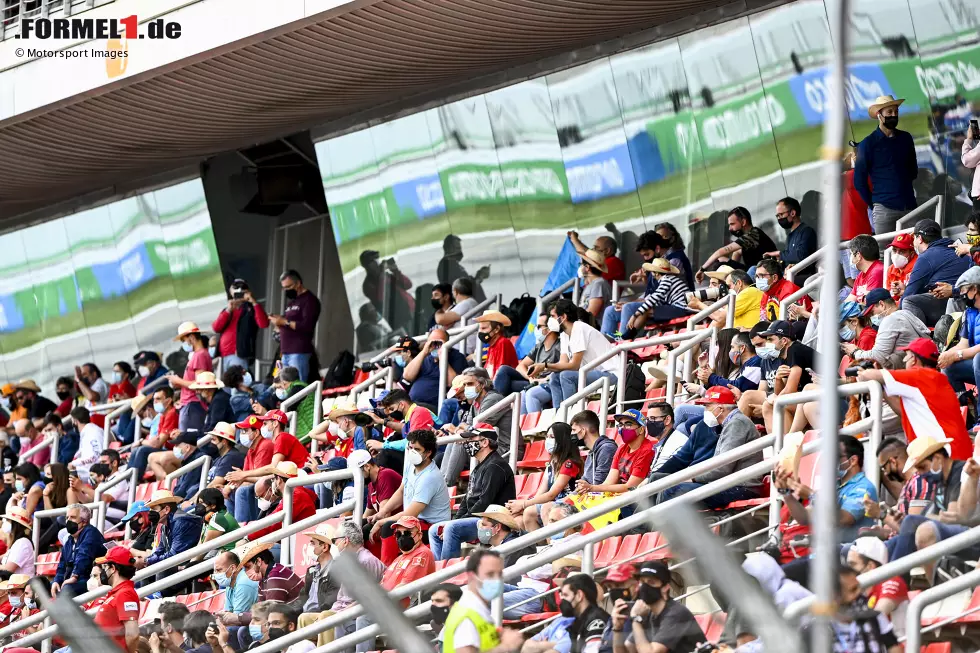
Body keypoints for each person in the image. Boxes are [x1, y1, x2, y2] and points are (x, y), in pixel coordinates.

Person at [859, 338, 972, 459]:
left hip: (948, 456)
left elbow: (867, 375)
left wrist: (863, 372)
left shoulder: (919, 376)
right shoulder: (933, 378)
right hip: (953, 453)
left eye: (906, 356)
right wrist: (883, 389)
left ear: (913, 359)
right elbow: (903, 412)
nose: (904, 360)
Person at [661, 386, 762, 507]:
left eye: (708, 406)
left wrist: (693, 479)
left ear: (720, 408)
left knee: (673, 490)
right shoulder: (731, 422)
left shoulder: (737, 423)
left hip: (741, 488)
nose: (705, 410)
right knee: (667, 486)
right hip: (730, 485)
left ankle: (648, 526)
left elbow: (723, 467)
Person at [349, 516, 437, 653]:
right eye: (398, 534)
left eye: (407, 533)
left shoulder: (422, 554)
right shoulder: (399, 558)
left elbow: (404, 588)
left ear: (419, 535)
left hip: (402, 608)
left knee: (364, 618)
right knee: (344, 620)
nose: (402, 537)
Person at [430, 426, 516, 560]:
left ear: (485, 442)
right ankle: (439, 567)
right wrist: (456, 520)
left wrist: (456, 523)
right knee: (435, 530)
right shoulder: (480, 466)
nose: (467, 443)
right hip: (477, 517)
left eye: (472, 439)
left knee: (450, 529)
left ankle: (448, 575)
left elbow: (484, 502)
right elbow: (467, 499)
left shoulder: (495, 466)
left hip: (492, 521)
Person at [297, 520, 385, 648]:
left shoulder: (365, 561)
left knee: (326, 617)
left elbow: (366, 600)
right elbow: (342, 599)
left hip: (356, 614)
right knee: (304, 619)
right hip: (341, 610)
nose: (334, 545)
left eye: (335, 541)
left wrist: (339, 613)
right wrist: (335, 611)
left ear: (346, 540)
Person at [775, 435, 878, 543]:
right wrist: (786, 493)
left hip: (853, 552)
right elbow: (804, 518)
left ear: (853, 460)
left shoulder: (864, 487)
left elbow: (844, 519)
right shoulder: (832, 486)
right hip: (827, 551)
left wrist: (812, 495)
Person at [369, 430, 451, 564]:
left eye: (417, 449)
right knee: (368, 527)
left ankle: (387, 571)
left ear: (428, 452)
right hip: (414, 521)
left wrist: (382, 521)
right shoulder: (410, 465)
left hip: (432, 527)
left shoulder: (430, 477)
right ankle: (373, 569)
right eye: (410, 448)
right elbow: (402, 491)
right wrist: (381, 513)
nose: (412, 452)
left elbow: (410, 514)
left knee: (388, 527)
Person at [536, 299, 618, 409]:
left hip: (611, 375)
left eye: (553, 316)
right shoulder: (564, 334)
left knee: (566, 376)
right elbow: (562, 363)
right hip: (593, 374)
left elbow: (574, 365)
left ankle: (570, 413)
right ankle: (558, 413)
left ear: (563, 317)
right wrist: (543, 368)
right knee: (555, 377)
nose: (550, 320)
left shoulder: (579, 328)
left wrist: (545, 365)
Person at [854, 95, 918, 234]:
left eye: (896, 112)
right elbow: (859, 181)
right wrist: (876, 204)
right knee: (884, 253)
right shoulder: (868, 144)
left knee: (915, 249)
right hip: (884, 210)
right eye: (889, 112)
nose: (893, 115)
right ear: (879, 115)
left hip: (909, 206)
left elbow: (913, 171)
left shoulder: (906, 138)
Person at [441, 369, 519, 481]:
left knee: (461, 443)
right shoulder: (475, 403)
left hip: (505, 449)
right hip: (487, 446)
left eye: (470, 384)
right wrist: (461, 430)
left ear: (482, 384)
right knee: (454, 441)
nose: (467, 387)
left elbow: (478, 430)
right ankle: (444, 482)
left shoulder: (493, 399)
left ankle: (447, 484)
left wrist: (461, 430)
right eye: (465, 385)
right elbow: (465, 427)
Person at [441, 549, 524, 653]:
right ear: (472, 576)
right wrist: (505, 646)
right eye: (490, 574)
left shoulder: (478, 610)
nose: (496, 580)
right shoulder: (467, 616)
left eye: (499, 574)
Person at [610, 562, 704, 653]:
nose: (645, 587)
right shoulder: (646, 612)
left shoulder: (676, 613)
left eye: (651, 582)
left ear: (665, 587)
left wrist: (636, 619)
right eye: (642, 582)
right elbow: (628, 649)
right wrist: (618, 628)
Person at [509, 422, 581, 532]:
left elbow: (551, 494)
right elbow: (541, 492)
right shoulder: (552, 464)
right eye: (547, 437)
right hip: (553, 502)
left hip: (569, 502)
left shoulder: (569, 464)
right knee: (518, 518)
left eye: (552, 437)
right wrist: (523, 506)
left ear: (563, 440)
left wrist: (524, 504)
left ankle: (548, 545)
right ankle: (535, 547)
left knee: (530, 512)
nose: (548, 440)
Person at [576, 410, 653, 511]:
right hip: (618, 498)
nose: (623, 428)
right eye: (620, 424)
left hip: (634, 503)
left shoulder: (647, 451)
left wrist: (592, 488)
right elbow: (609, 482)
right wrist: (589, 490)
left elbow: (630, 487)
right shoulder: (622, 448)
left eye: (628, 424)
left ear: (641, 429)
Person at [902, 218, 971, 327]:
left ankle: (921, 341)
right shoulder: (955, 248)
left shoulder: (926, 256)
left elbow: (910, 292)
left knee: (908, 302)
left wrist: (892, 316)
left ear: (919, 238)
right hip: (969, 300)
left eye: (913, 238)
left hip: (956, 302)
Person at [600, 230, 663, 338]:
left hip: (663, 306)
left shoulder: (665, 266)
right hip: (651, 303)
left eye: (647, 254)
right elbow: (649, 294)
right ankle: (605, 342)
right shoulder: (651, 267)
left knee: (628, 307)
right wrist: (645, 280)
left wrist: (630, 303)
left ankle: (621, 340)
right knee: (611, 310)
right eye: (643, 255)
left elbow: (659, 296)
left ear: (657, 249)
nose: (645, 259)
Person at [846, 288, 930, 368]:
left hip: (912, 370)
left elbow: (877, 356)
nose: (872, 317)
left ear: (882, 304)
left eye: (872, 312)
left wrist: (855, 352)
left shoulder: (890, 320)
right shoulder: (906, 313)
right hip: (921, 365)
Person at [494, 312, 560, 413]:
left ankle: (497, 410)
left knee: (517, 390)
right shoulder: (539, 347)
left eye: (538, 326)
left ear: (549, 329)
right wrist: (530, 378)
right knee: (504, 370)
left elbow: (562, 367)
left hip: (546, 383)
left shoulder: (559, 346)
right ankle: (495, 406)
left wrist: (543, 380)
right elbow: (521, 366)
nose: (535, 330)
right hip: (534, 381)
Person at [828, 565, 903, 653]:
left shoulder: (875, 617)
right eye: (853, 590)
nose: (859, 593)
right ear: (834, 596)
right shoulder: (818, 631)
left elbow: (894, 647)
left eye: (859, 587)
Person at [846, 537, 909, 637]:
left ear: (870, 566)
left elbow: (877, 617)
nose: (847, 570)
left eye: (852, 565)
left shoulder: (892, 581)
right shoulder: (860, 592)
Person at [137, 490, 203, 580]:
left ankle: (158, 594)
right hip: (179, 564)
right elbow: (160, 550)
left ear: (167, 509)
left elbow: (174, 556)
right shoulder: (165, 525)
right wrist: (145, 560)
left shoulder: (181, 522)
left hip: (190, 564)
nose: (151, 514)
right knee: (145, 571)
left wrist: (147, 561)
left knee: (161, 569)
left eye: (154, 509)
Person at [697, 206, 777, 279]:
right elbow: (737, 252)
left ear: (743, 222)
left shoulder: (752, 235)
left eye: (732, 224)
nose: (729, 228)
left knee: (722, 259)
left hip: (765, 274)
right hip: (756, 272)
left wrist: (702, 269)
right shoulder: (749, 237)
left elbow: (721, 252)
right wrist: (733, 267)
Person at [271, 270, 321, 382]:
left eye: (288, 286)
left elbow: (307, 326)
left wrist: (284, 322)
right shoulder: (292, 302)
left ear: (298, 283)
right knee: (285, 386)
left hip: (299, 351)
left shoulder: (309, 300)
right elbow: (286, 321)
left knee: (297, 386)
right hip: (285, 352)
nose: (286, 290)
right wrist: (278, 322)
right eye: (284, 287)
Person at [224, 415, 274, 523]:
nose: (242, 434)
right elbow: (244, 476)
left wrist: (241, 478)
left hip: (267, 491)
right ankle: (232, 530)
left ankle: (241, 533)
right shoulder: (250, 451)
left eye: (245, 431)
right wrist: (231, 486)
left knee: (241, 491)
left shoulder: (265, 445)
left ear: (256, 433)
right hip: (255, 489)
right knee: (229, 493)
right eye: (241, 431)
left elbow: (260, 478)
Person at [213, 278, 270, 371]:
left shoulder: (252, 309)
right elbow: (216, 328)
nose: (239, 295)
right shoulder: (228, 309)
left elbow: (264, 324)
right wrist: (228, 310)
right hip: (222, 356)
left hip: (238, 355)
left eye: (242, 292)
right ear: (231, 292)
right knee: (222, 384)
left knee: (237, 382)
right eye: (236, 292)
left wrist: (253, 302)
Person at [91, 546, 140, 653]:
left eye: (105, 567)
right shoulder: (119, 593)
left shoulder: (125, 594)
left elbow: (133, 634)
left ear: (113, 568)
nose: (103, 571)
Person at [402, 328, 467, 409]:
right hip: (413, 404)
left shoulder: (456, 357)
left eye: (439, 343)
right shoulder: (424, 357)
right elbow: (407, 376)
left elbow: (452, 383)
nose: (435, 346)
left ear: (448, 343)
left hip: (433, 406)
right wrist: (424, 352)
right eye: (432, 342)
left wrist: (443, 357)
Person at [625, 258, 692, 334]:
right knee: (646, 311)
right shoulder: (670, 279)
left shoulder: (666, 280)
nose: (651, 274)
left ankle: (627, 337)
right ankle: (628, 336)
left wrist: (635, 315)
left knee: (645, 311)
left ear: (656, 273)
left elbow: (654, 298)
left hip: (680, 308)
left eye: (652, 272)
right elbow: (658, 301)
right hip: (680, 308)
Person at [52, 503, 106, 597]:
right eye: (67, 517)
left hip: (92, 578)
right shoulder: (69, 540)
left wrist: (74, 576)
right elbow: (62, 565)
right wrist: (57, 581)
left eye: (72, 517)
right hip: (76, 579)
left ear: (84, 521)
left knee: (68, 589)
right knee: (43, 587)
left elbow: (84, 555)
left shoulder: (91, 533)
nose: (68, 520)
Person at [168, 321, 213, 431]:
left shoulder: (200, 355)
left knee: (189, 441)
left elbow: (200, 384)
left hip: (192, 404)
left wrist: (178, 380)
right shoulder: (198, 355)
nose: (183, 344)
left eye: (183, 340)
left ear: (191, 337)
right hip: (190, 404)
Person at [558, 574, 608, 653]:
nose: (562, 600)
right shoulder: (576, 621)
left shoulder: (596, 620)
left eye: (566, 595)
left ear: (579, 595)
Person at [298, 525, 341, 616]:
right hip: (306, 615)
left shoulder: (336, 571)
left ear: (325, 547)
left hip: (319, 617)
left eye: (313, 543)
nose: (309, 546)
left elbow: (329, 603)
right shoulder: (311, 571)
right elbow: (302, 598)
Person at [765, 197, 818, 269]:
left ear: (792, 213)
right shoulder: (790, 236)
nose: (779, 218)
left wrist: (780, 254)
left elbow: (801, 255)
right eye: (777, 216)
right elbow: (789, 258)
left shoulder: (806, 231)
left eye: (781, 215)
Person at [433, 277, 480, 354]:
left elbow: (440, 319)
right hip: (460, 347)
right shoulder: (468, 303)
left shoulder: (467, 303)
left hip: (462, 348)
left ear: (456, 291)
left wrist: (438, 312)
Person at [756, 259, 811, 323]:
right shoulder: (767, 292)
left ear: (774, 278)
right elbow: (763, 319)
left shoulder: (789, 291)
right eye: (756, 276)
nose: (757, 279)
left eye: (761, 276)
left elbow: (788, 324)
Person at [573, 410, 618, 487]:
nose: (572, 434)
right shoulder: (592, 451)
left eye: (574, 430)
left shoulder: (607, 449)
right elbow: (582, 484)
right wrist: (566, 499)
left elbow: (599, 485)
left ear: (583, 430)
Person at [474, 310, 519, 379]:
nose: (480, 332)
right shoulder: (492, 346)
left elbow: (499, 373)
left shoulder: (503, 342)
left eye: (483, 328)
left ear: (497, 329)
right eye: (479, 329)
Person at [213, 549, 260, 614]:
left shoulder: (244, 584)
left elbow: (236, 620)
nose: (216, 574)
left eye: (219, 570)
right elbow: (228, 613)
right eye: (215, 571)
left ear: (232, 568)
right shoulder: (230, 584)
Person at [205, 422, 246, 489]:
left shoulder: (231, 457)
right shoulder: (219, 458)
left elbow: (215, 484)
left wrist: (195, 499)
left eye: (214, 440)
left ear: (224, 441)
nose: (211, 443)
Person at [845, 235, 884, 304]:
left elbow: (869, 304)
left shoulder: (877, 271)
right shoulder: (861, 275)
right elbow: (850, 300)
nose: (850, 257)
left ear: (858, 256)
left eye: (851, 253)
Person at [578, 249, 613, 319]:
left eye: (581, 264)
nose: (580, 267)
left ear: (587, 267)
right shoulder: (594, 284)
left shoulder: (599, 284)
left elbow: (592, 313)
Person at [0, 507, 34, 575]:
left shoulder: (23, 543)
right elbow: (4, 557)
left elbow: (8, 569)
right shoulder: (17, 542)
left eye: (7, 520)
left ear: (15, 524)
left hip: (21, 584)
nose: (4, 523)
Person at [885, 233, 918, 300]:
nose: (897, 255)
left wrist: (905, 291)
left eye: (902, 251)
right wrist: (895, 293)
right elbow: (890, 296)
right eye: (894, 250)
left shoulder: (918, 266)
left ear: (912, 254)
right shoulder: (891, 269)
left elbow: (918, 294)